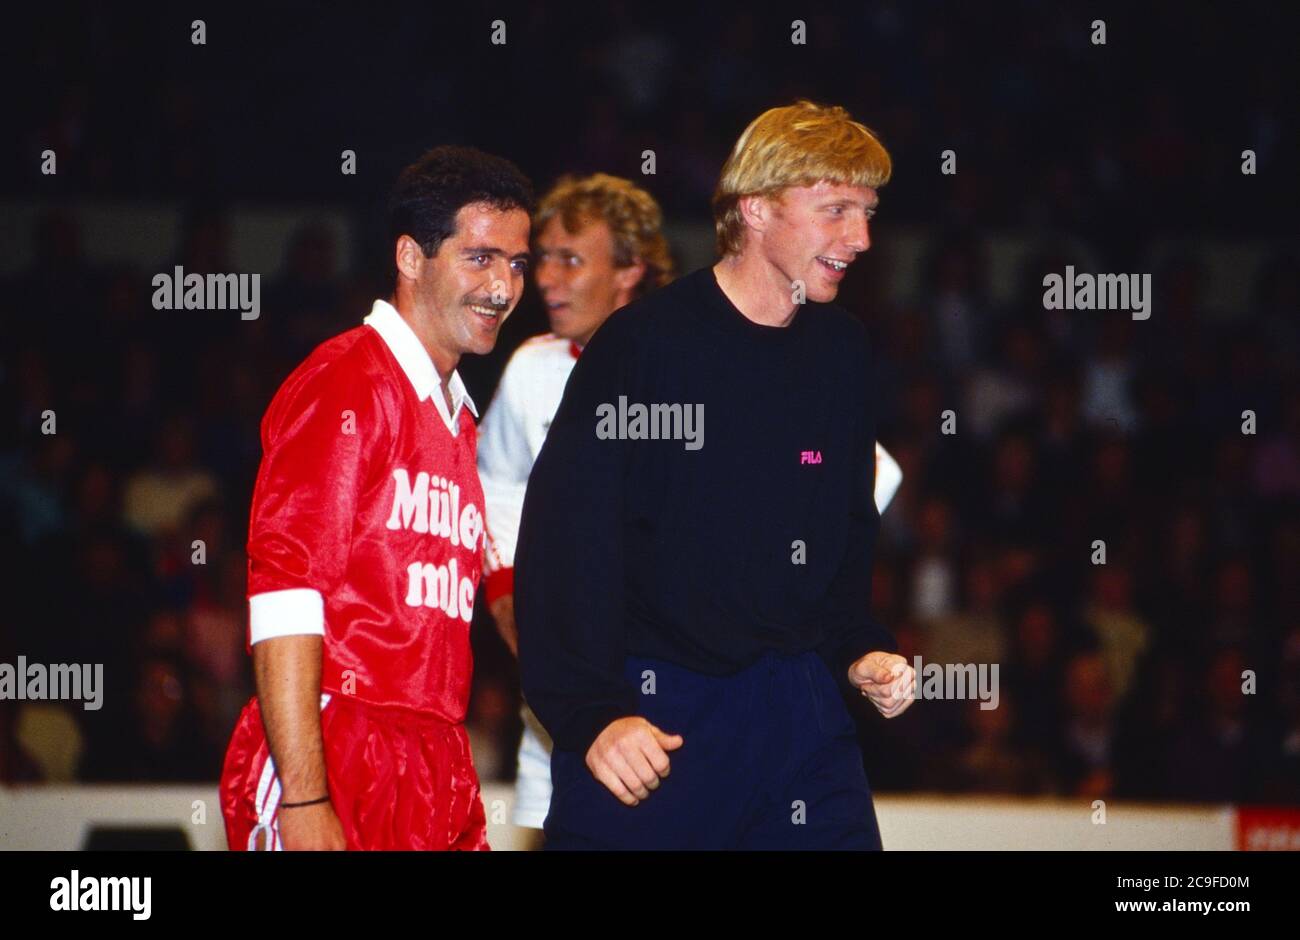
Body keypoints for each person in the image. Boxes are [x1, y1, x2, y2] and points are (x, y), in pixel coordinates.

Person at [515, 100, 916, 850]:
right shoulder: (643, 346)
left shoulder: (844, 353)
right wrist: (592, 713)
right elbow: (565, 543)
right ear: (755, 209)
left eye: (867, 212)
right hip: (657, 717)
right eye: (835, 210)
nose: (860, 238)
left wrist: (860, 649)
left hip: (801, 713)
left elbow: (842, 542)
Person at [219, 146, 533, 850]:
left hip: (436, 754)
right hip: (337, 741)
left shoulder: (458, 416)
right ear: (411, 257)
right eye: (480, 258)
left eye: (516, 263)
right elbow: (285, 591)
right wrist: (304, 796)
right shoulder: (346, 381)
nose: (504, 287)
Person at [476, 173, 674, 836]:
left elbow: (863, 469)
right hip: (559, 681)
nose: (545, 280)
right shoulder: (532, 366)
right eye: (543, 259)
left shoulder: (693, 361)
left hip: (678, 680)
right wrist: (503, 584)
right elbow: (495, 483)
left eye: (570, 259)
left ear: (629, 270)